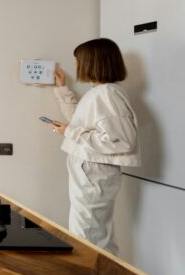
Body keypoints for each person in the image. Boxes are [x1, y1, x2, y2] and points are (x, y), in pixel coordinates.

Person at [50, 38, 140, 255]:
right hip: (91, 172)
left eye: (78, 60)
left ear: (93, 62)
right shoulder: (100, 93)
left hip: (93, 173)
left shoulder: (107, 94)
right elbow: (81, 120)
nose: (75, 65)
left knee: (88, 236)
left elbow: (123, 141)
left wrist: (70, 132)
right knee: (93, 233)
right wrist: (62, 89)